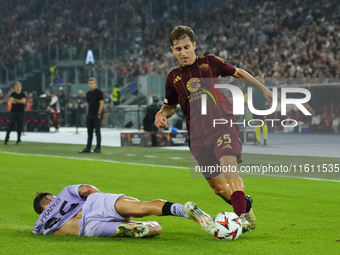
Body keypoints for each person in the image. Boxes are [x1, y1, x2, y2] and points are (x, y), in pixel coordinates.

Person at [154, 26, 273, 233]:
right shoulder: (173, 77)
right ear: (172, 50)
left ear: (194, 45)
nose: (183, 53)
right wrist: (161, 113)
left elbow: (237, 73)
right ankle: (245, 204)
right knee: (218, 188)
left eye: (186, 47)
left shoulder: (210, 62)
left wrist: (262, 88)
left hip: (221, 126)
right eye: (178, 49)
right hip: (198, 138)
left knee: (229, 167)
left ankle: (241, 216)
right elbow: (170, 106)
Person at [32, 184, 215, 237]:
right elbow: (86, 190)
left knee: (155, 228)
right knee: (141, 206)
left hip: (82, 228)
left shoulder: (40, 224)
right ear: (49, 198)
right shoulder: (63, 193)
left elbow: (47, 232)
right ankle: (183, 210)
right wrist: (103, 199)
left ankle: (130, 227)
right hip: (92, 205)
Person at [79, 78, 104, 153]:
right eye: (90, 83)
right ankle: (88, 147)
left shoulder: (99, 92)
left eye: (92, 83)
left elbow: (101, 103)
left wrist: (99, 113)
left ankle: (98, 148)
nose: (91, 85)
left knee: (97, 132)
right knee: (89, 132)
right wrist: (87, 113)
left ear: (95, 84)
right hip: (90, 115)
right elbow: (88, 104)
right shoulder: (88, 93)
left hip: (96, 114)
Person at [252, 76, 269, 145]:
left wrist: (267, 106)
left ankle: (265, 139)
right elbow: (251, 98)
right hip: (255, 107)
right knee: (256, 123)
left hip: (262, 107)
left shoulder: (263, 88)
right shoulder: (252, 88)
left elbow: (266, 97)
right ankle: (257, 140)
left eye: (258, 79)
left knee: (263, 122)